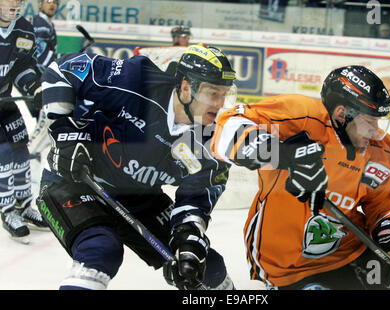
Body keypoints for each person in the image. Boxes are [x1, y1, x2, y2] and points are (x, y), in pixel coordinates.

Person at [37, 44, 237, 290]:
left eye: (224, 94)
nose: (219, 104)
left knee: (208, 267)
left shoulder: (210, 143)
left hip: (138, 195)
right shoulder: (135, 80)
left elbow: (194, 200)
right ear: (186, 88)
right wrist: (66, 133)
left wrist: (188, 243)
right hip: (74, 182)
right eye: (212, 93)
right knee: (100, 249)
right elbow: (63, 68)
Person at [211, 65, 390, 290]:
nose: (375, 131)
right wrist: (283, 154)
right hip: (286, 266)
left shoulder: (384, 152)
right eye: (369, 122)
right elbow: (227, 126)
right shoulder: (302, 116)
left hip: (351, 252)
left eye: (378, 122)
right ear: (342, 114)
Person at [0, 0, 48, 244]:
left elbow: (22, 66)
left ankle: (23, 203)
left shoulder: (24, 30)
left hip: (5, 102)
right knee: (4, 153)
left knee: (20, 148)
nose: (14, 3)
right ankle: (6, 209)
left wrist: (35, 86)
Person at [27, 0, 58, 160]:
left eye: (55, 2)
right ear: (40, 5)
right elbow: (40, 55)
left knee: (45, 118)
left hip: (38, 77)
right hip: (36, 79)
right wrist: (58, 66)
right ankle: (28, 153)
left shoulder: (46, 24)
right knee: (45, 120)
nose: (52, 4)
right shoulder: (40, 24)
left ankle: (33, 152)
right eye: (47, 1)